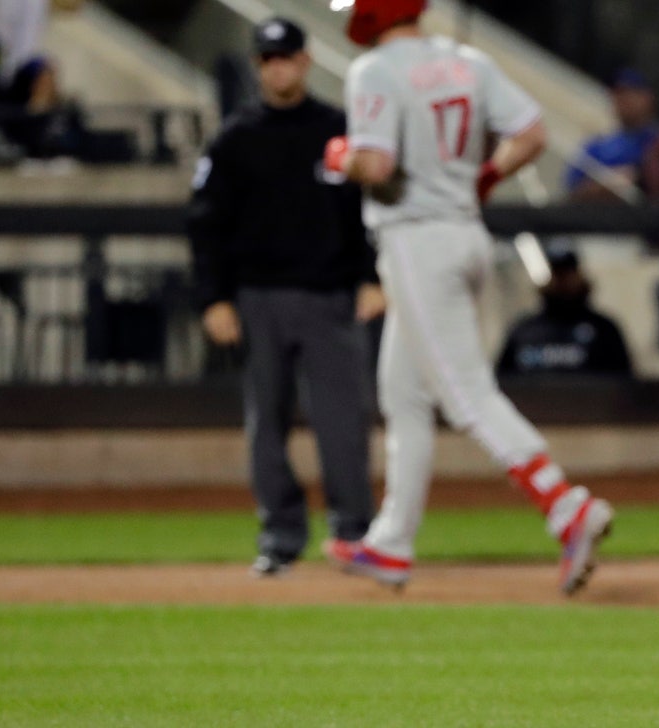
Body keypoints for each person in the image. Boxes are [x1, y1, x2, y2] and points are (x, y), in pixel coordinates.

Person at [323, 0, 615, 596]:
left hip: (416, 240)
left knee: (466, 396)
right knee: (402, 391)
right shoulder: (467, 62)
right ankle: (391, 544)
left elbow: (375, 163)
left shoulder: (374, 70)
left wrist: (339, 158)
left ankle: (566, 505)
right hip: (464, 233)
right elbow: (531, 134)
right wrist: (483, 176)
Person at [187, 16, 384, 578]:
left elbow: (364, 214)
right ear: (259, 66)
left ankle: (352, 533)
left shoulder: (337, 132)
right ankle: (280, 534)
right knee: (266, 423)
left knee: (343, 422)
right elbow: (204, 226)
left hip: (328, 296)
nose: (279, 67)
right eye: (269, 59)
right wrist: (213, 299)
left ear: (305, 60)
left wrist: (370, 276)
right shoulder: (233, 139)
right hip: (258, 298)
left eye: (287, 57)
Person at [496, 243, 633, 377]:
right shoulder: (525, 332)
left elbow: (623, 384)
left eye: (568, 273)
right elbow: (502, 380)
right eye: (557, 273)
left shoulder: (604, 331)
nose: (563, 281)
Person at [565, 67, 659, 202]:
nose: (621, 99)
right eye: (617, 93)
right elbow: (571, 189)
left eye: (629, 93)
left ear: (647, 97)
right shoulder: (597, 145)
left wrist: (637, 175)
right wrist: (605, 185)